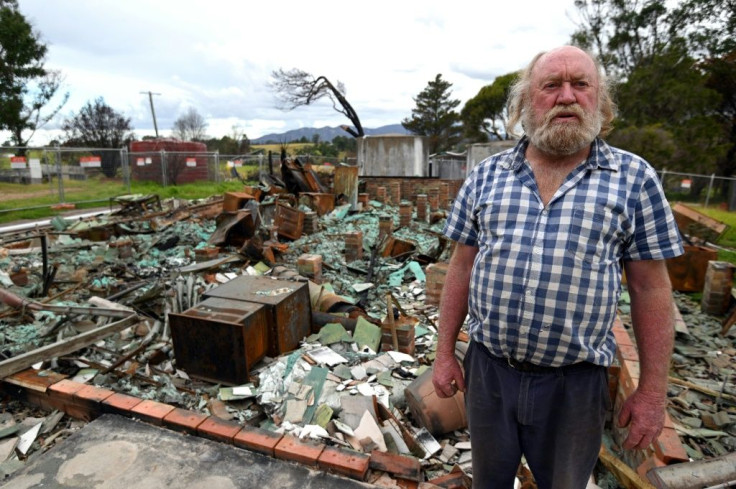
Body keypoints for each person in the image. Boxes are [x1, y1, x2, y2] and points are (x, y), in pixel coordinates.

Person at [431, 45, 683, 489]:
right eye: (551, 86)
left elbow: (650, 290)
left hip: (575, 388)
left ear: (599, 102)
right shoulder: (487, 175)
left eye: (580, 85)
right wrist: (444, 353)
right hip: (489, 375)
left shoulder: (634, 179)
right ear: (526, 103)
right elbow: (461, 267)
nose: (567, 96)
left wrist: (651, 391)